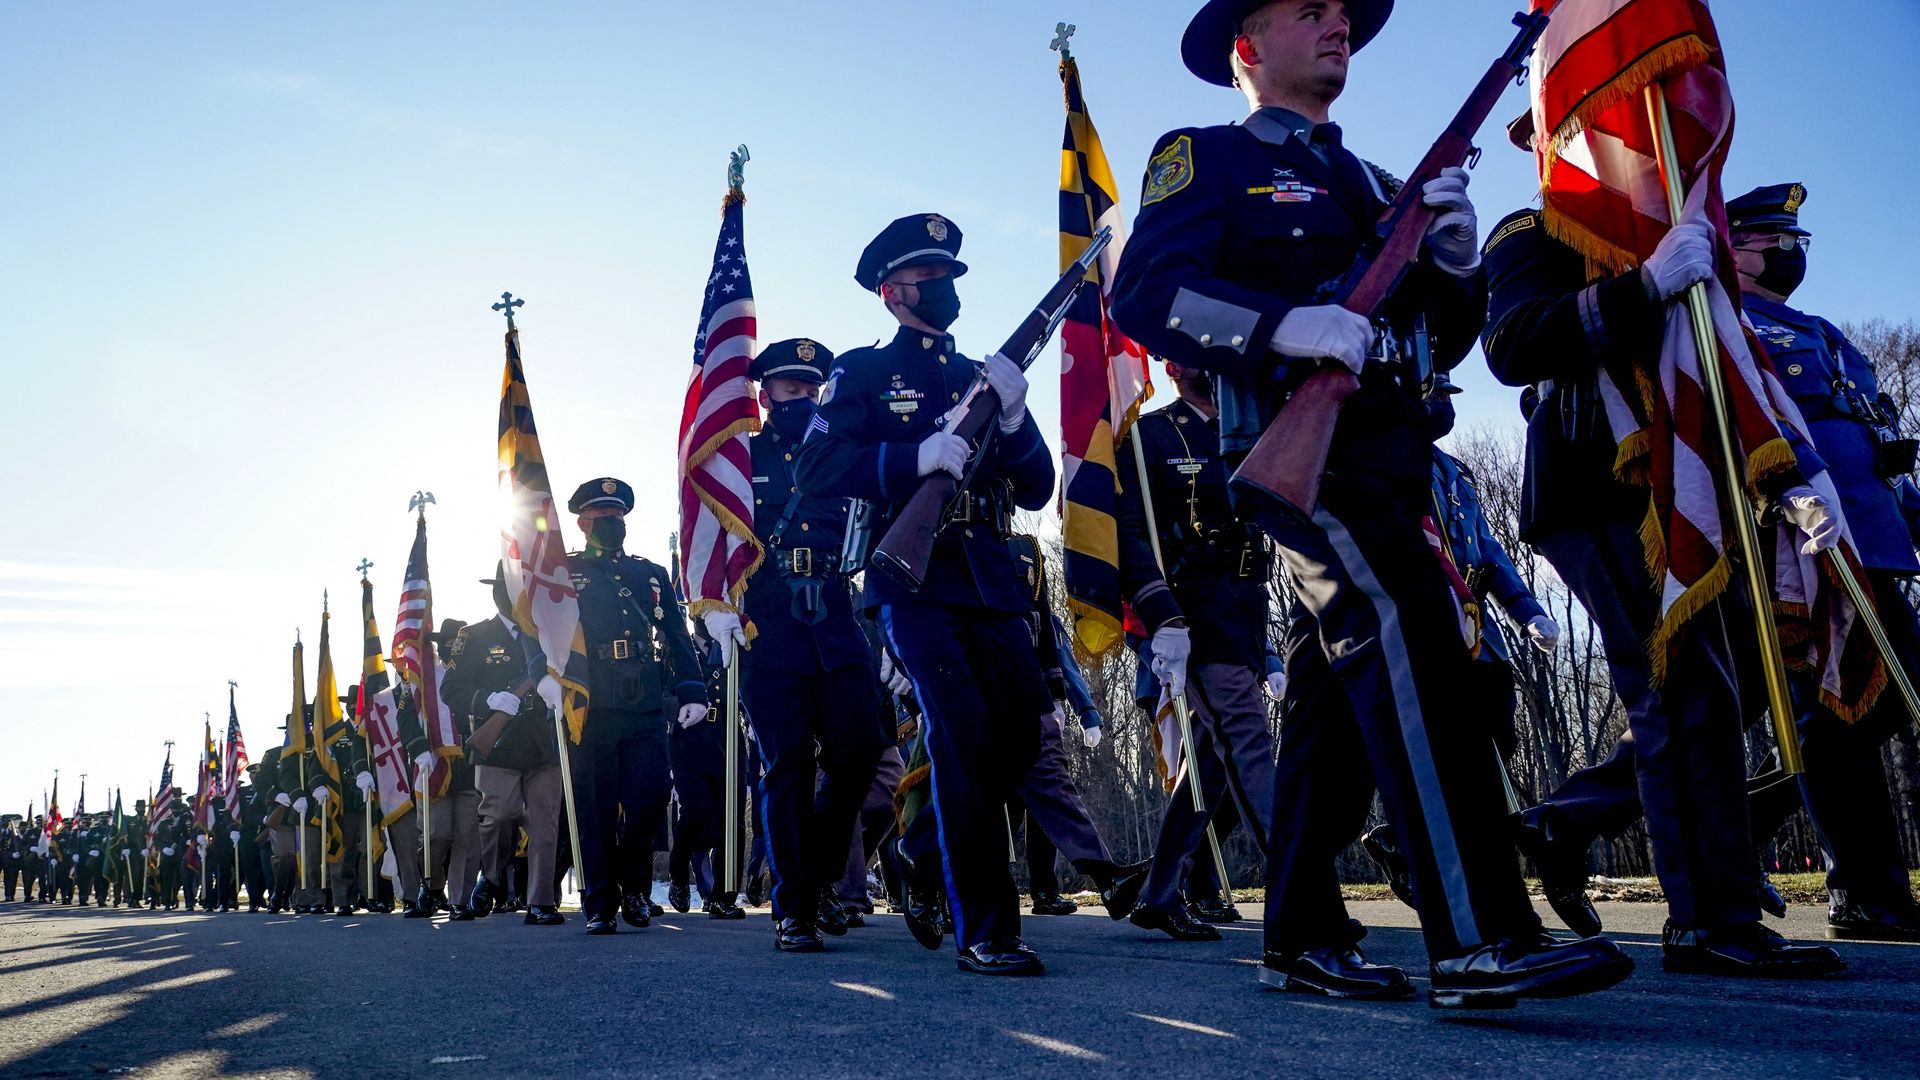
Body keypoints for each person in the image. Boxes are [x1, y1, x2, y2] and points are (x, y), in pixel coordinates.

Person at [1111, 0, 1631, 1007]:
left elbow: (1441, 336)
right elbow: (1148, 295)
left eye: (1345, 14)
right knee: (1415, 649)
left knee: (1328, 713)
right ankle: (1479, 936)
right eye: (1310, 11)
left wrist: (1455, 261)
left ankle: (1301, 932)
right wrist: (1286, 326)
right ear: (1247, 48)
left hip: (1390, 455)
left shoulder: (1371, 182)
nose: (1338, 24)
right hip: (1302, 459)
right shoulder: (1206, 157)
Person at [1482, 115, 1847, 976]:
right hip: (1598, 484)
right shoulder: (1534, 228)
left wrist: (1788, 472)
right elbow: (1512, 344)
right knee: (1678, 693)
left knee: (1712, 697)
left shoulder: (1683, 232)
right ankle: (1708, 921)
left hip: (1697, 494)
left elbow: (1729, 366)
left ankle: (1710, 907)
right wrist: (1640, 287)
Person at [798, 212, 1071, 976]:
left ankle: (923, 857)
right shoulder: (861, 371)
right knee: (959, 734)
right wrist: (911, 456)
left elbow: (1038, 486)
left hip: (991, 577)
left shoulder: (977, 377)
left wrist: (1013, 418)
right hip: (913, 581)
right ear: (892, 292)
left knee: (1018, 739)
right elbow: (816, 470)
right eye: (928, 276)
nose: (945, 286)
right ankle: (985, 927)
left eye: (951, 274)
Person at [703, 336, 889, 952]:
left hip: (837, 615)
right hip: (770, 620)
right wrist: (713, 608)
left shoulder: (842, 451)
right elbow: (704, 527)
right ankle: (795, 907)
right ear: (766, 394)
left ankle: (815, 876)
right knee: (785, 766)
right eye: (790, 389)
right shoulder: (738, 458)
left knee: (860, 750)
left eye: (811, 388)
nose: (802, 398)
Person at [1364, 375, 1561, 903]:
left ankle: (1434, 851)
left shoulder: (1454, 471)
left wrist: (1527, 611)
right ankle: (1452, 865)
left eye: (1445, 398)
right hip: (1425, 626)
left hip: (1478, 630)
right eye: (1430, 397)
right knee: (1451, 753)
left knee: (1502, 737)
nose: (1440, 409)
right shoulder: (1385, 464)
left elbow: (1489, 553)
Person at [1115, 357, 1276, 941]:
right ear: (1173, 363)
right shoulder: (1151, 435)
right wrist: (1161, 614)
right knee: (1247, 736)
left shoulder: (1252, 427)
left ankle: (1159, 895)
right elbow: (1128, 532)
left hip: (1245, 609)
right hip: (1190, 609)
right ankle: (1300, 890)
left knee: (1207, 761)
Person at [567, 477, 709, 936]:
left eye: (618, 516)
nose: (613, 523)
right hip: (592, 701)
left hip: (644, 698)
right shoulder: (563, 573)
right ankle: (601, 902)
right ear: (583, 522)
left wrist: (693, 690)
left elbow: (677, 636)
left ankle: (633, 883)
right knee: (596, 806)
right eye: (603, 517)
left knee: (650, 796)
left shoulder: (648, 574)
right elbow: (528, 615)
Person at [442, 574, 569, 927]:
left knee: (546, 825)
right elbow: (451, 688)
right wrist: (487, 700)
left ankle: (541, 901)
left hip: (544, 743)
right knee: (498, 816)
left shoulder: (549, 633)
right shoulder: (475, 636)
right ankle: (493, 875)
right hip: (497, 746)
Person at [397, 619, 483, 921]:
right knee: (436, 834)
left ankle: (460, 899)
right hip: (433, 765)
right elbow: (405, 717)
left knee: (467, 835)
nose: (451, 648)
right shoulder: (422, 677)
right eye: (447, 643)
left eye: (457, 643)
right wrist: (419, 749)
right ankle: (431, 886)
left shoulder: (476, 672)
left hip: (470, 764)